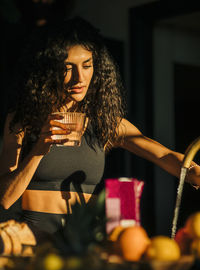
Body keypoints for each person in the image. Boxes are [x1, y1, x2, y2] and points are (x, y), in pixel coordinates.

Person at [0, 17, 200, 236]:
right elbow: (5, 197)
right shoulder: (23, 119)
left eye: (87, 65)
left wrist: (193, 173)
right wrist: (38, 150)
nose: (79, 78)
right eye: (68, 68)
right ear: (48, 70)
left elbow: (163, 155)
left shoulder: (105, 121)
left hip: (85, 245)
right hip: (29, 241)